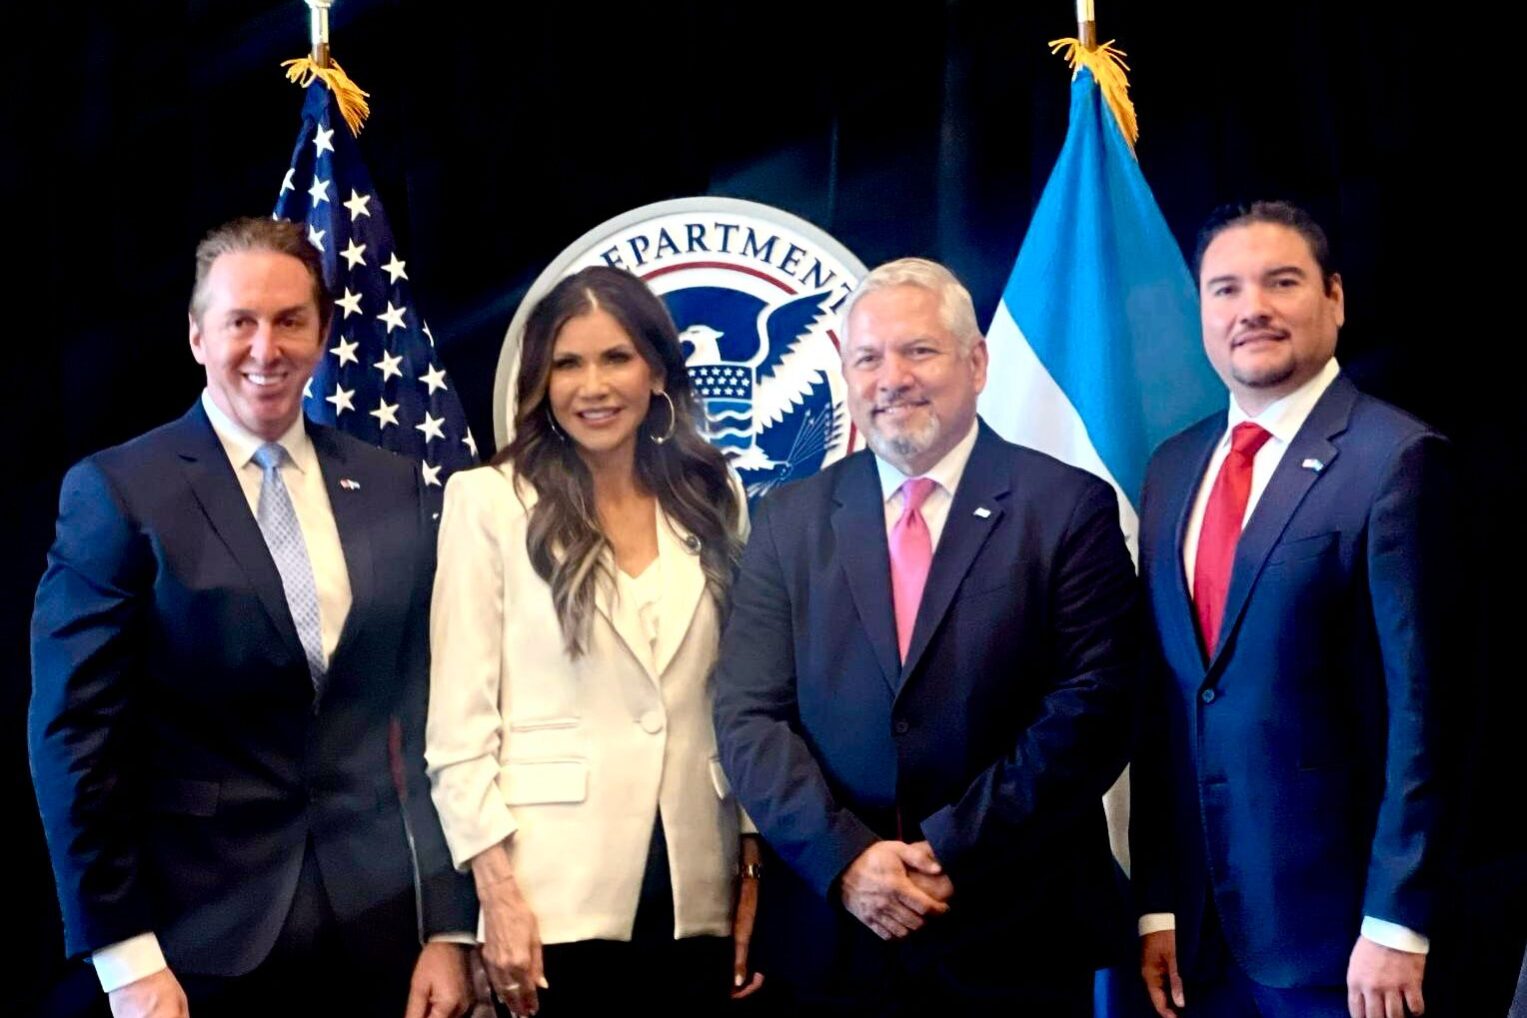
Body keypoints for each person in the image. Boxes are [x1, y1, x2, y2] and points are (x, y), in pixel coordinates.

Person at [28, 216, 476, 1018]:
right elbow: (75, 740)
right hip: (193, 950)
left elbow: (427, 721)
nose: (266, 348)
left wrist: (448, 925)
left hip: (378, 938)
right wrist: (125, 959)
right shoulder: (119, 492)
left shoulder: (392, 485)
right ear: (197, 335)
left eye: (289, 321)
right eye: (240, 321)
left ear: (322, 333)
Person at [712, 257, 1142, 1016]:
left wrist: (952, 846)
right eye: (868, 358)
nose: (892, 379)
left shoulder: (1066, 507)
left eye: (919, 351)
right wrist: (846, 858)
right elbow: (749, 715)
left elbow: (1095, 706)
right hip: (836, 939)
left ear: (976, 363)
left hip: (1016, 931)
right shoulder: (787, 519)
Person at [1131, 201, 1455, 1018]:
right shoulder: (1171, 470)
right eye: (1225, 289)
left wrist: (1396, 920)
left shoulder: (1396, 460)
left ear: (1334, 298)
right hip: (1200, 937)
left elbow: (1429, 712)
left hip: (1343, 942)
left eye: (1281, 283)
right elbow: (1168, 705)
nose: (1252, 309)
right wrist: (1158, 903)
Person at [425, 265, 761, 1016]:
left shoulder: (714, 496)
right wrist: (496, 895)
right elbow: (457, 729)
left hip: (694, 886)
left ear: (657, 372)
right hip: (550, 897)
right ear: (540, 381)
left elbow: (743, 695)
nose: (593, 386)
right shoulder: (489, 501)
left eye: (616, 358)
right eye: (568, 363)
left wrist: (749, 865)